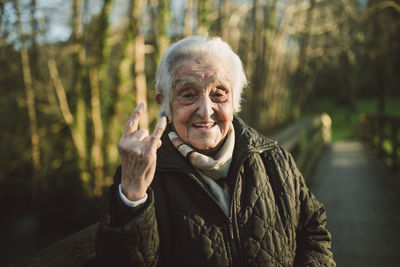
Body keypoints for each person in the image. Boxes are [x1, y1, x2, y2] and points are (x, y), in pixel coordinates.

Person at [95, 35, 335, 267]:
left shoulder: (274, 158)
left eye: (218, 94)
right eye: (188, 95)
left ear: (234, 101)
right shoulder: (143, 174)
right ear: (165, 103)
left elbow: (314, 231)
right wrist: (133, 195)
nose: (205, 110)